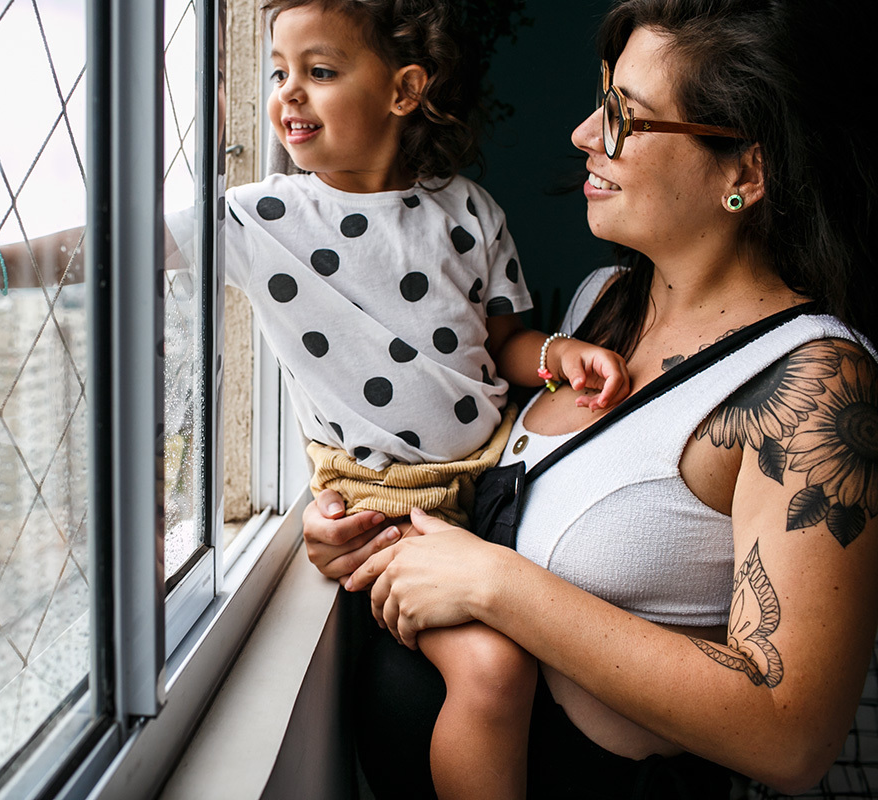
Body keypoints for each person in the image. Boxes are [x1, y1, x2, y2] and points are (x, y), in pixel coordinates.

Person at [0, 2, 630, 797]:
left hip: (495, 481)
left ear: (404, 90)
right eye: (280, 72)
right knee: (495, 670)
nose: (288, 93)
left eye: (319, 71)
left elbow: (501, 341)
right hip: (386, 509)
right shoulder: (260, 219)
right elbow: (115, 241)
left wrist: (558, 355)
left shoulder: (469, 210)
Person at [302, 0, 878, 797]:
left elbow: (791, 735)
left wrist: (496, 585)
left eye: (623, 118)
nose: (582, 135)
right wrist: (366, 527)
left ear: (745, 173)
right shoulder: (601, 303)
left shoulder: (813, 382)